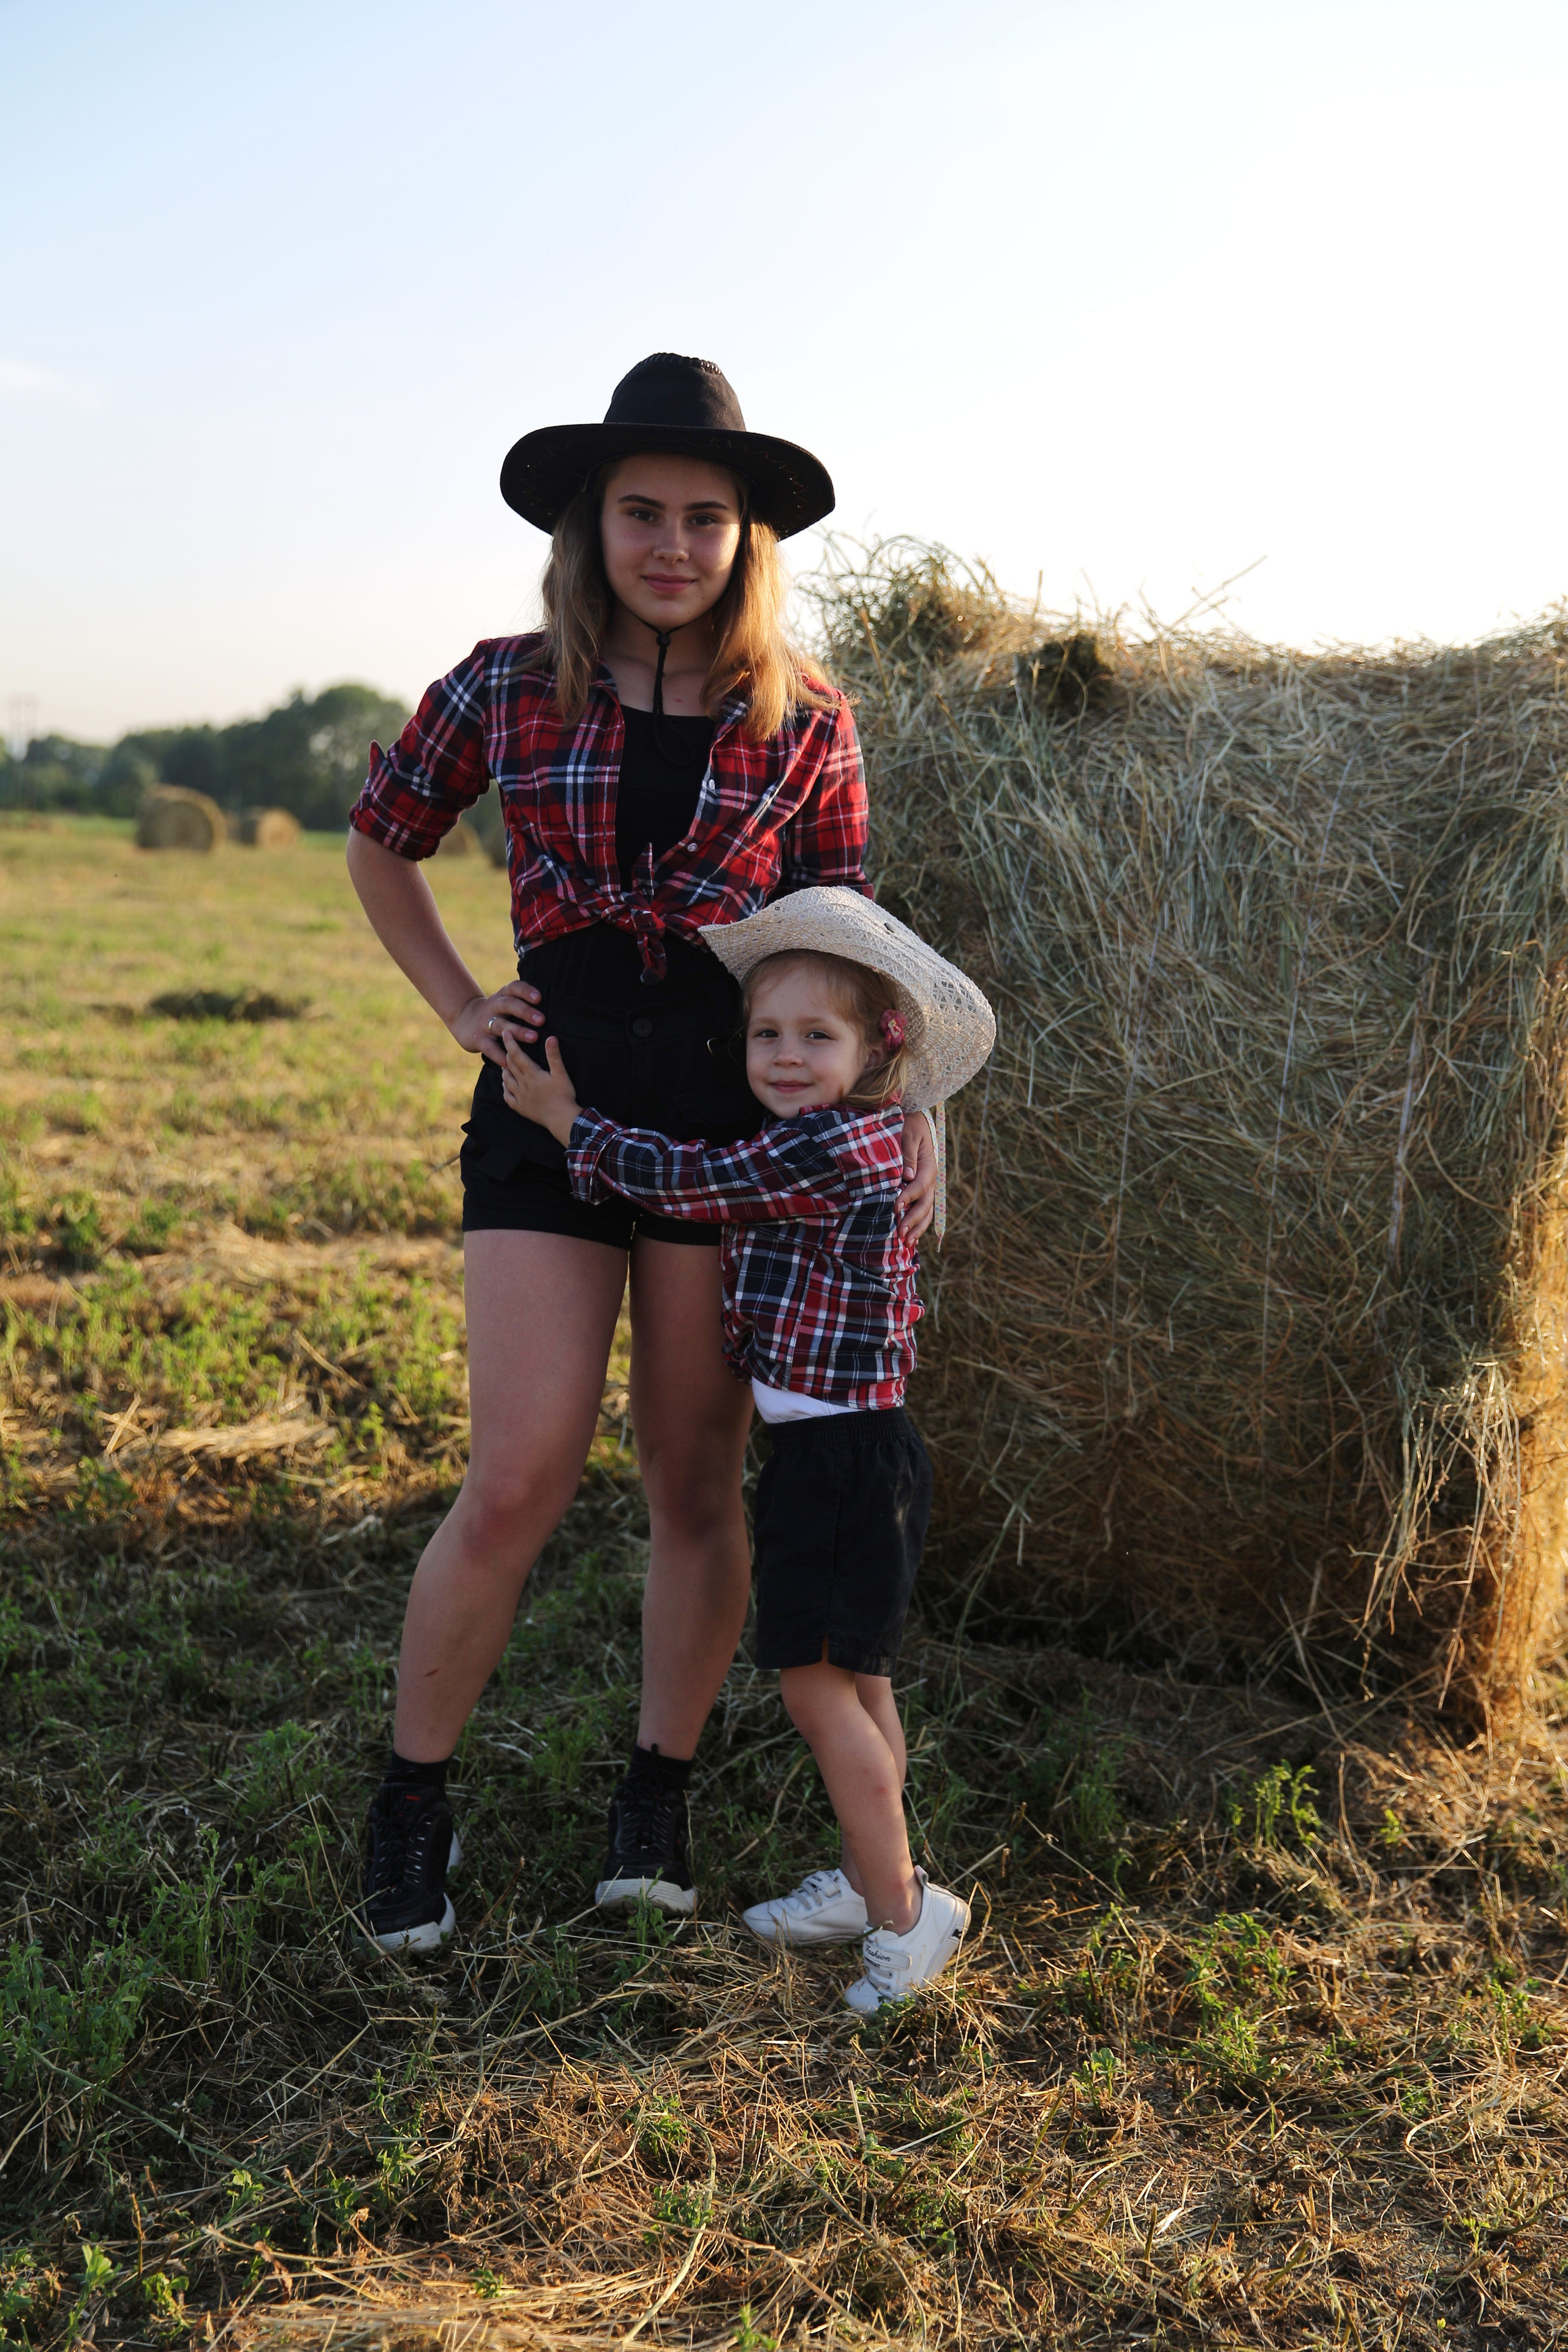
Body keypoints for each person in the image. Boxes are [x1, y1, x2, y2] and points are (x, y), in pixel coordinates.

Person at [345, 355, 938, 1954]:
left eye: (706, 517)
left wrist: (912, 1110)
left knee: (691, 1480)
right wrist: (464, 1001)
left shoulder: (807, 717)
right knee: (521, 1473)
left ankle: (655, 1786)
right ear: (589, 525)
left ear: (749, 539)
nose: (673, 544)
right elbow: (380, 835)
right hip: (549, 1099)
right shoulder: (502, 684)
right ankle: (412, 1801)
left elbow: (846, 945)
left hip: (724, 1125)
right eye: (641, 514)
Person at [501, 886, 995, 2013]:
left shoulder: (829, 1150)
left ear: (882, 1048)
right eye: (766, 1035)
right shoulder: (854, 1133)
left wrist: (565, 1120)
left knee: (819, 1691)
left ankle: (905, 1921)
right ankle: (884, 1878)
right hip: (857, 1456)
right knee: (859, 1685)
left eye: (816, 1037)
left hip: (839, 1464)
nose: (782, 1056)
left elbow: (688, 1181)